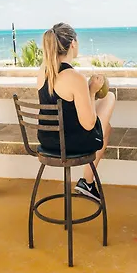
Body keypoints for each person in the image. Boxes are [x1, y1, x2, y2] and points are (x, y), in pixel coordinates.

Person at [37, 23, 116, 202]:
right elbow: (88, 124)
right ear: (72, 43)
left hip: (47, 141)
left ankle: (87, 183)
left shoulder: (43, 72)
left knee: (107, 129)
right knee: (109, 97)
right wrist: (92, 91)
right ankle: (87, 182)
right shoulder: (75, 78)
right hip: (70, 145)